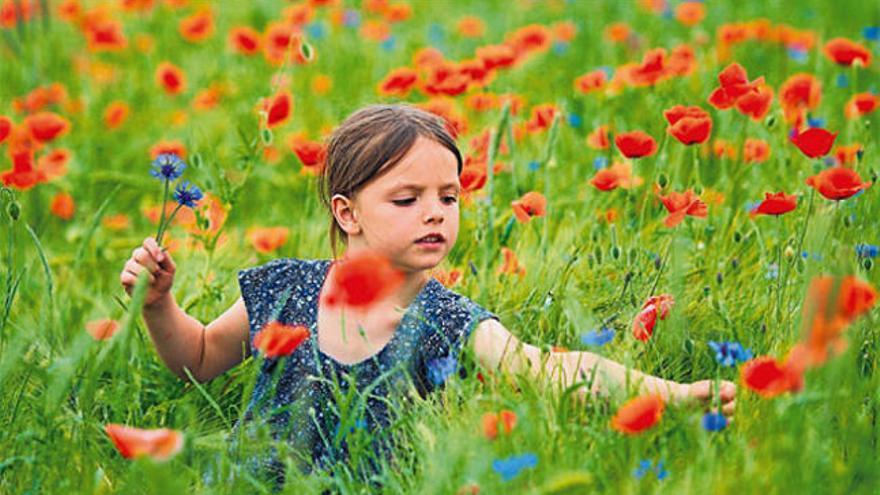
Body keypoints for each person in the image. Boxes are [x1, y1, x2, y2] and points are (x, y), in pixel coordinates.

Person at [120, 104, 736, 488]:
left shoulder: (443, 318)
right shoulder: (287, 289)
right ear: (348, 211)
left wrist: (671, 395)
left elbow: (549, 370)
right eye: (407, 199)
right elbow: (196, 361)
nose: (435, 213)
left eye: (449, 196)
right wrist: (158, 306)